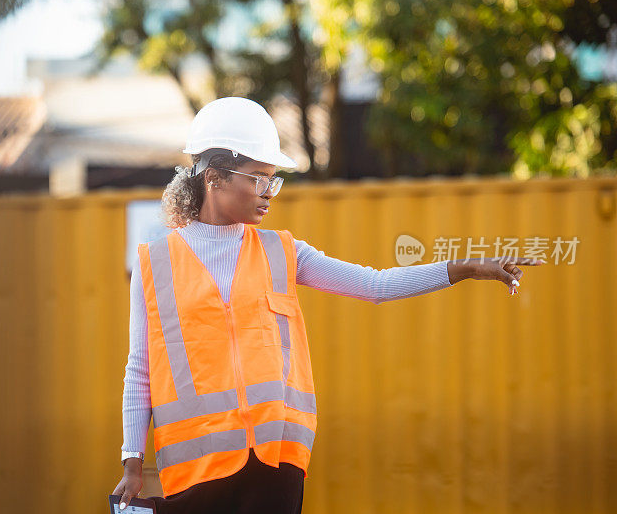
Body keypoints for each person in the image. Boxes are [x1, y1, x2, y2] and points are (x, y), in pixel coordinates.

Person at [112, 97, 543, 514]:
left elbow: (376, 285)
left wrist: (464, 268)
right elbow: (140, 368)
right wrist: (133, 461)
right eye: (258, 178)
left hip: (276, 466)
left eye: (273, 179)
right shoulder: (155, 263)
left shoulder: (284, 252)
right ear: (215, 177)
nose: (269, 192)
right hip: (196, 474)